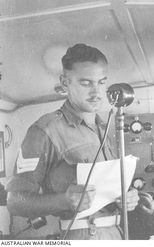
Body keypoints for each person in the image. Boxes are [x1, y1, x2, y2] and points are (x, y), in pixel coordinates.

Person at [6, 43, 139, 240]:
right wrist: (63, 200)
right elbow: (15, 201)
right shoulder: (45, 130)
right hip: (83, 235)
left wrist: (127, 199)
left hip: (115, 233)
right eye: (86, 83)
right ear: (65, 82)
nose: (96, 92)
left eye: (101, 82)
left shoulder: (103, 128)